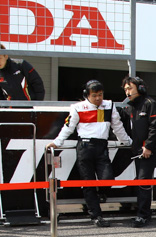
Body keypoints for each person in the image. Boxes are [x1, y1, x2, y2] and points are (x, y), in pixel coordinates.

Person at [49, 80, 132, 227]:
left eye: (100, 94)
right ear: (86, 95)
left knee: (108, 179)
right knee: (88, 184)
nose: (98, 98)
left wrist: (128, 142)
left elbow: (117, 127)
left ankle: (100, 194)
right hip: (84, 148)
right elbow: (68, 127)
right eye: (94, 95)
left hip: (102, 147)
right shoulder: (77, 107)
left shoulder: (109, 105)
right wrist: (57, 142)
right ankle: (96, 216)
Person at [119, 76, 156, 228]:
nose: (127, 92)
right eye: (125, 89)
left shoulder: (151, 104)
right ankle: (142, 212)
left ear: (140, 88)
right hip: (138, 149)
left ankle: (143, 216)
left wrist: (149, 147)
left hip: (149, 150)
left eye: (130, 88)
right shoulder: (131, 106)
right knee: (140, 181)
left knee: (144, 181)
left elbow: (155, 127)